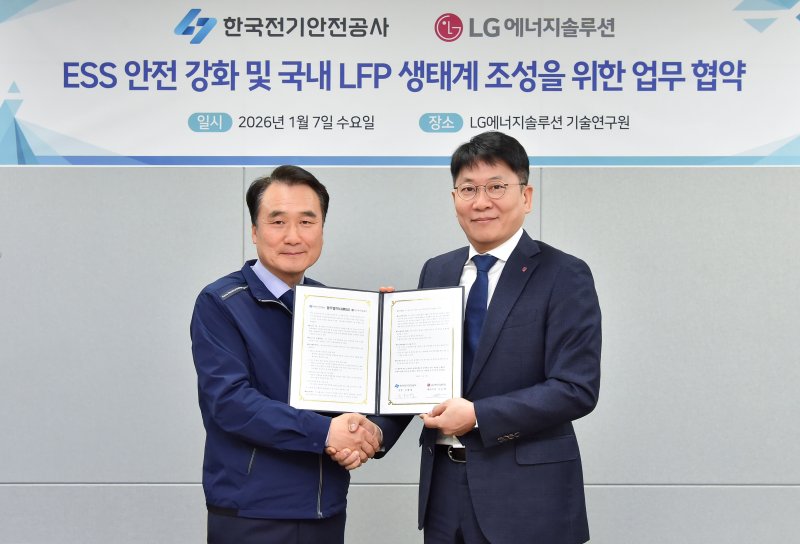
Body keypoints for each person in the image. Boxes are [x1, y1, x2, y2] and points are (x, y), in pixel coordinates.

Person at [405, 131, 601, 543]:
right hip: (443, 494)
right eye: (468, 189)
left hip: (528, 497)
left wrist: (478, 415)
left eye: (496, 187)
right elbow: (415, 371)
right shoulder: (436, 271)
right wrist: (369, 429)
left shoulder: (564, 274)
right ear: (454, 198)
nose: (481, 202)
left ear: (526, 197)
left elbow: (575, 388)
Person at [190, 165, 385, 544]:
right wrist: (326, 431)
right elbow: (230, 402)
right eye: (278, 221)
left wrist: (389, 326)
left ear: (322, 229)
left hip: (325, 508)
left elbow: (361, 394)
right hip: (253, 511)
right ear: (254, 230)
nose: (293, 236)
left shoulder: (335, 305)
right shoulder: (221, 302)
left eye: (307, 222)